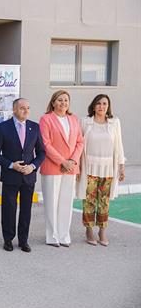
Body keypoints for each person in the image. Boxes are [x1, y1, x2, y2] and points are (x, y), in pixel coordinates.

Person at [0, 98, 45, 253]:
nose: (26, 110)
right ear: (14, 109)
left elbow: (41, 152)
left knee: (26, 209)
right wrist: (10, 164)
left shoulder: (34, 127)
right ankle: (8, 239)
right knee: (9, 209)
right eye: (22, 108)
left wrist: (33, 167)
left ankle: (23, 240)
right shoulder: (2, 128)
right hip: (10, 175)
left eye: (28, 107)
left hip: (28, 176)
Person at [76, 94, 125, 246]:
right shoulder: (85, 122)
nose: (101, 106)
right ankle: (89, 229)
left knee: (104, 202)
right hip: (89, 167)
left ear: (108, 106)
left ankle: (102, 230)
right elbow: (78, 144)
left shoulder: (114, 123)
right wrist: (77, 166)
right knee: (89, 201)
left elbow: (119, 145)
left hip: (108, 168)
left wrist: (121, 166)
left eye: (104, 104)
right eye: (98, 103)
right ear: (93, 106)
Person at [39, 90, 83, 247]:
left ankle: (64, 235)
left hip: (70, 167)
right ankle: (52, 236)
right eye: (59, 100)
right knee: (52, 202)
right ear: (53, 102)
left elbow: (80, 142)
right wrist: (62, 161)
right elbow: (45, 143)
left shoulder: (74, 119)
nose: (63, 103)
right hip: (52, 166)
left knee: (66, 202)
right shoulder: (46, 119)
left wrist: (72, 160)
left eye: (66, 100)